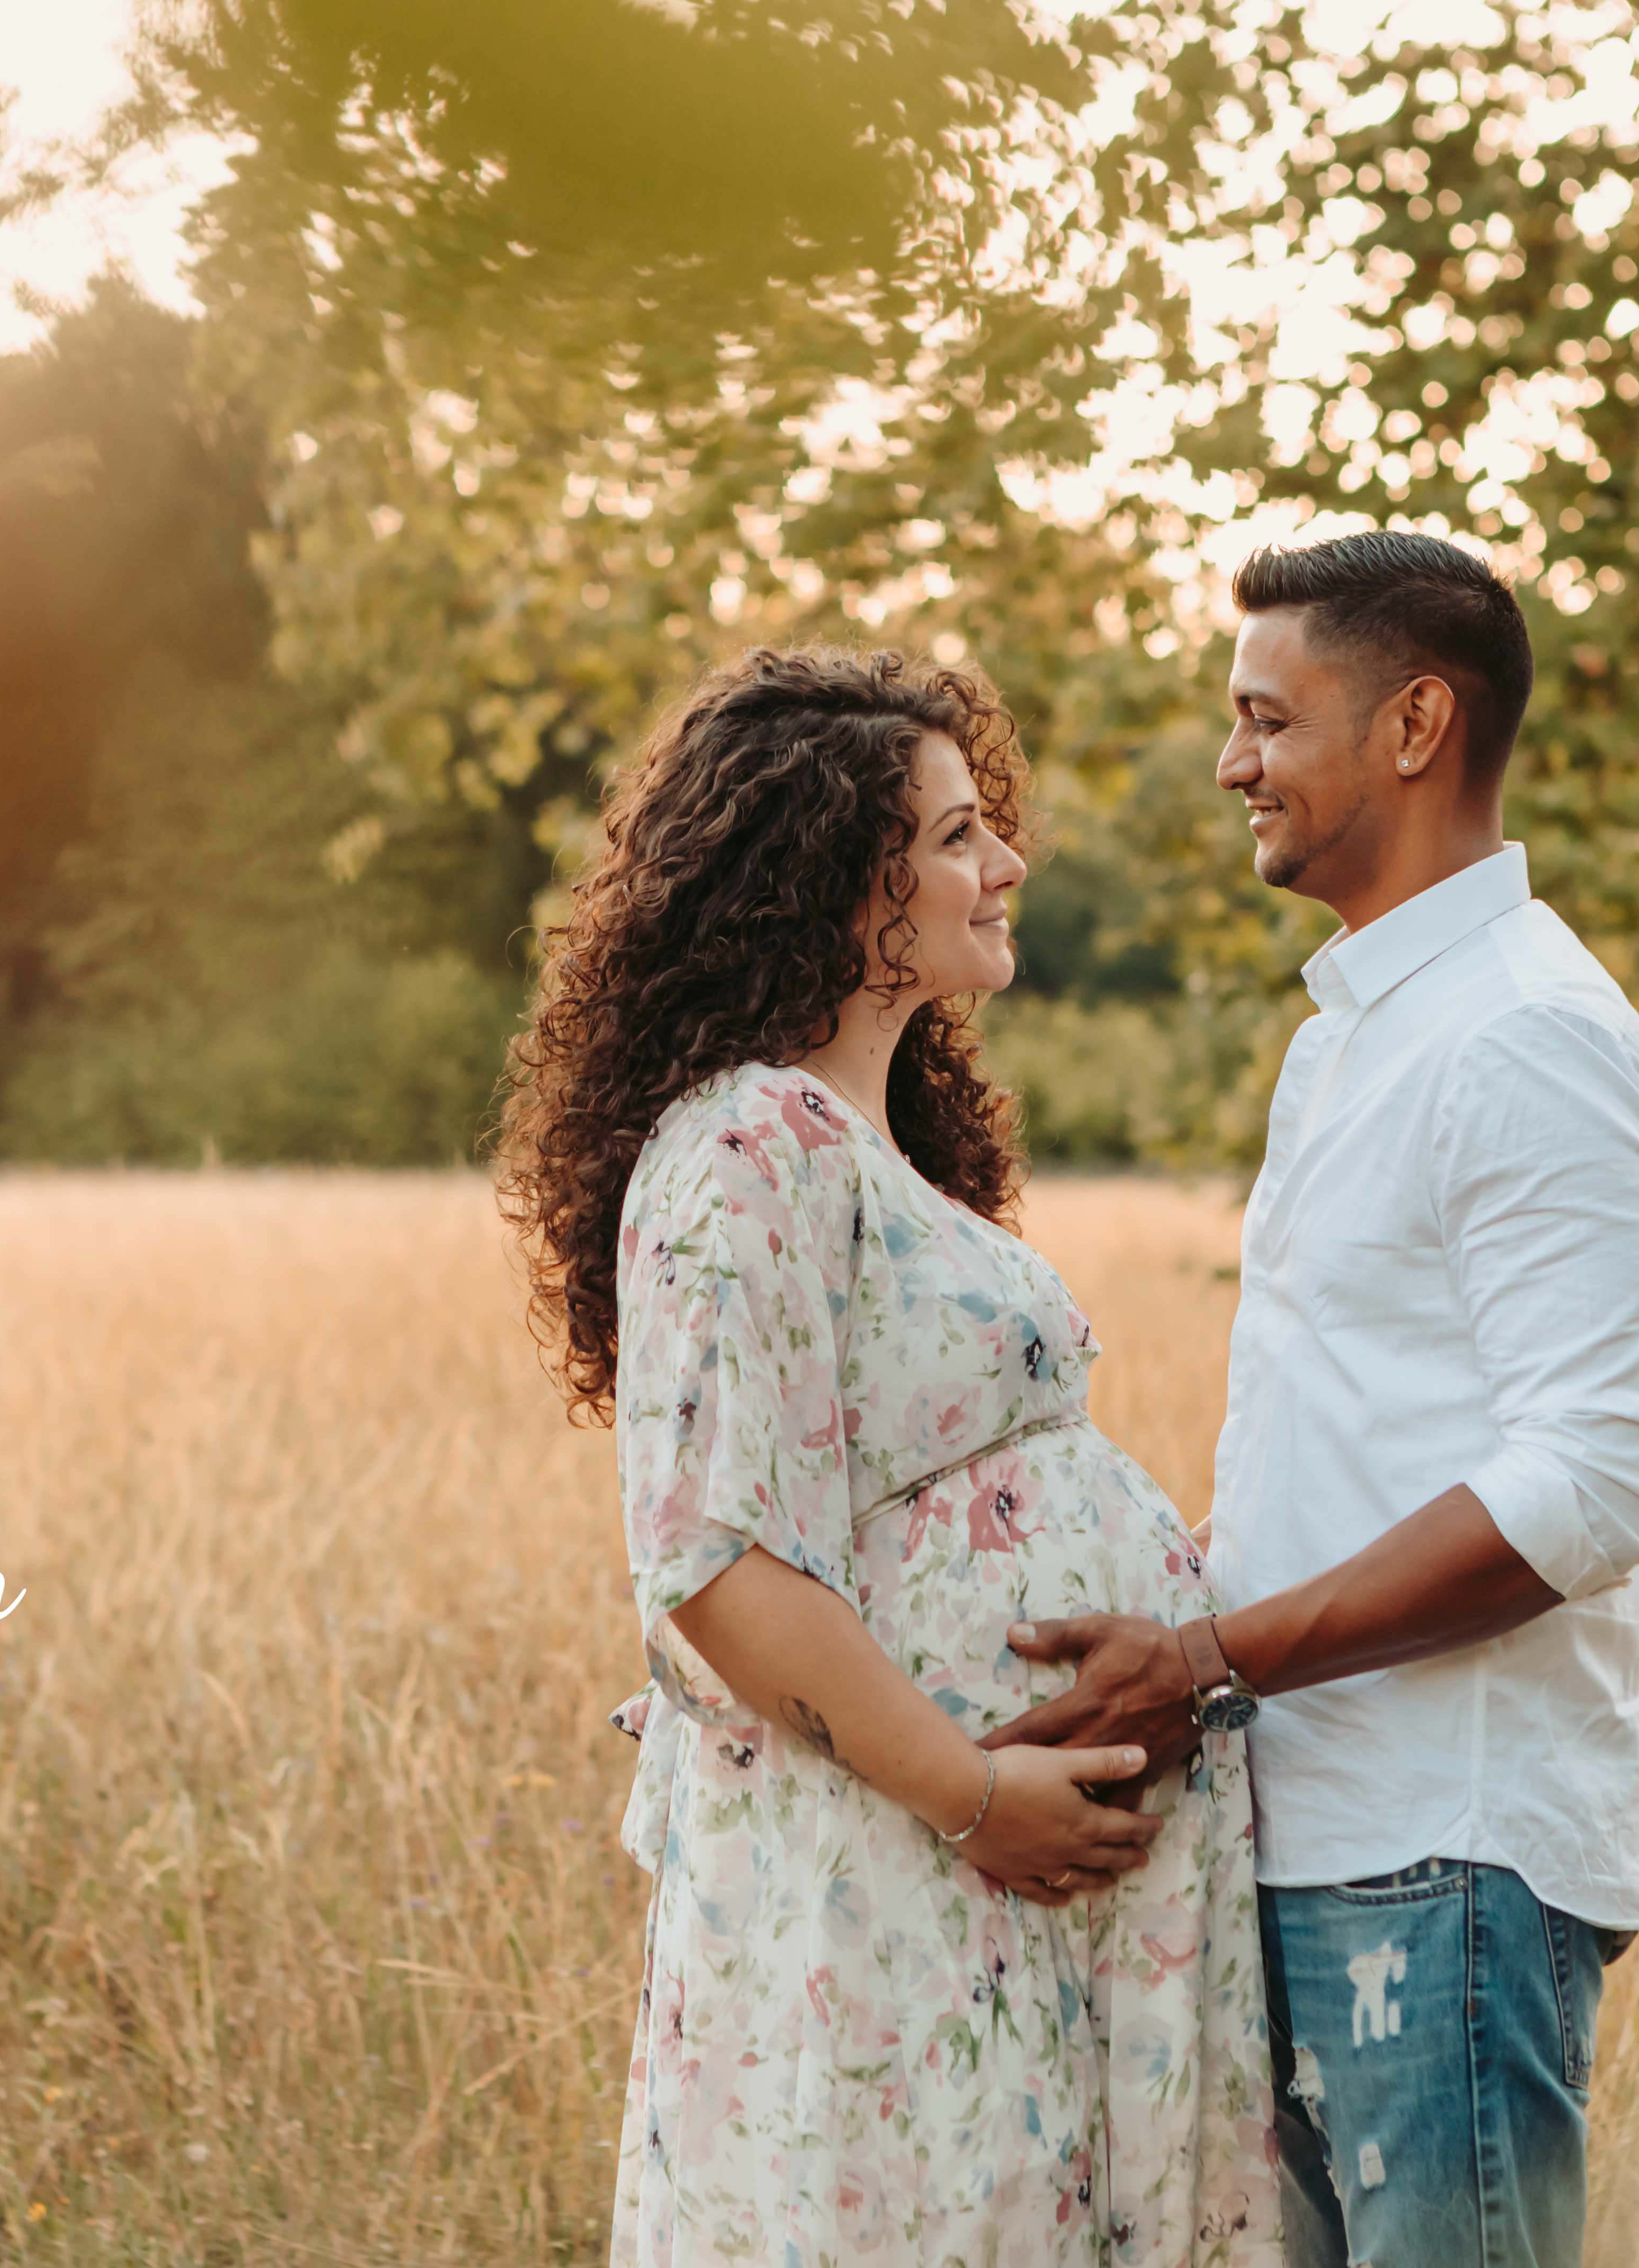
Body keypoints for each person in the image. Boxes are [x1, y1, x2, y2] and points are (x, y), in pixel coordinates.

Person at [498, 647, 1281, 2266]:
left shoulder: (864, 1152)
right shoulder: (746, 1145)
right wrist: (976, 1793)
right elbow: (714, 1560)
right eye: (954, 836)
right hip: (892, 1884)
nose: (1006, 864)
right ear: (841, 886)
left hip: (961, 1894)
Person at [978, 533, 1639, 2268]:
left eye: (1266, 718)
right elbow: (1361, 1437)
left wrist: (1210, 1655)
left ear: (1414, 724)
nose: (1232, 762)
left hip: (1443, 1856)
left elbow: (1591, 1485)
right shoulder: (1355, 1035)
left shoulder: (1524, 1031)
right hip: (1315, 1832)